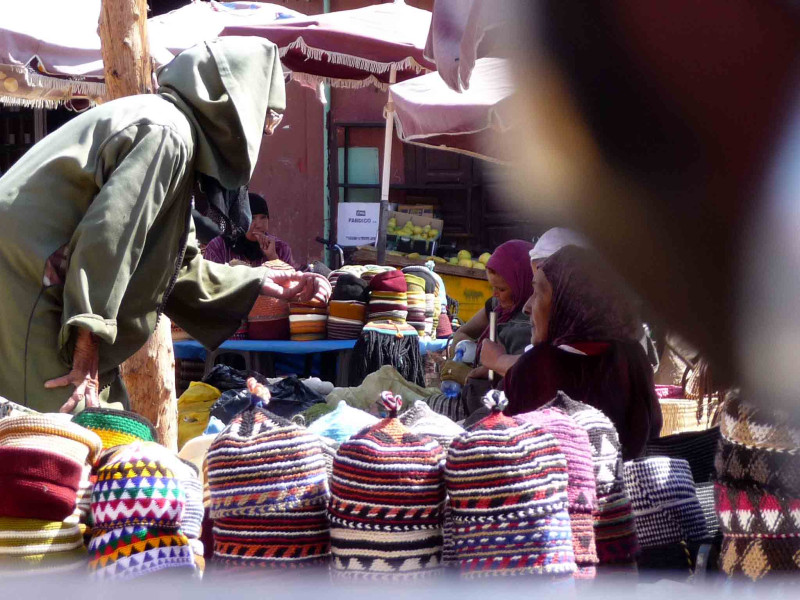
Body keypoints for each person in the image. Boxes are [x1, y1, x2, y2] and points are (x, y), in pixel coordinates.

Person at [0, 37, 327, 414]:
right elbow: (109, 235)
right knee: (60, 429)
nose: (262, 136)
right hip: (28, 278)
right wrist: (87, 339)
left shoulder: (174, 132)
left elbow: (178, 268)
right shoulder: (168, 134)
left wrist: (259, 282)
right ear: (234, 109)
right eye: (262, 121)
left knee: (107, 426)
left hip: (45, 282)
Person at [503, 245, 662, 459]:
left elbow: (508, 447)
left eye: (538, 293)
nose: (527, 306)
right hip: (628, 480)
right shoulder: (633, 358)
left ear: (570, 301)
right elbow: (652, 433)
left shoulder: (538, 367)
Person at [449, 240, 534, 377]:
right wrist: (464, 350)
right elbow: (462, 332)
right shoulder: (497, 307)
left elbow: (520, 376)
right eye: (492, 287)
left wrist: (470, 374)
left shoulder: (529, 325)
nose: (495, 294)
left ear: (523, 284)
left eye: (501, 289)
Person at [204, 192, 296, 267]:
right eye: (252, 218)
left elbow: (291, 281)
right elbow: (208, 280)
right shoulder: (218, 247)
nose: (259, 225)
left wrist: (273, 258)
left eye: (263, 217)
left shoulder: (280, 249)